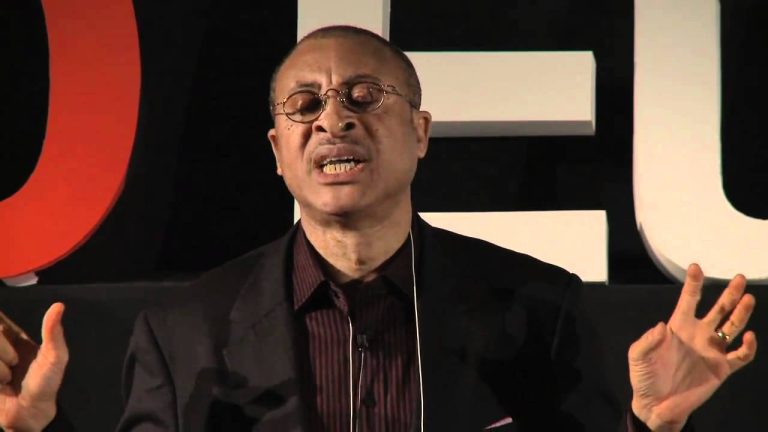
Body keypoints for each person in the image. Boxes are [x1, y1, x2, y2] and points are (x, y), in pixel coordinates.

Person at [0, 25, 758, 431]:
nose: (334, 119)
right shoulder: (183, 332)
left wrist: (651, 427)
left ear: (420, 132)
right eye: (305, 104)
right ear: (278, 151)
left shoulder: (538, 307)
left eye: (364, 96)